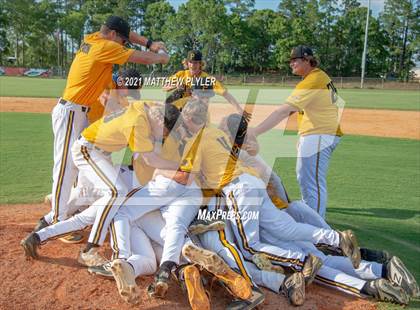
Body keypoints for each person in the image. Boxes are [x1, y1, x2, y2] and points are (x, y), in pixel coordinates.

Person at [36, 15, 170, 243]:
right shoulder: (105, 46)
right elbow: (143, 59)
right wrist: (161, 57)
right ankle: (58, 219)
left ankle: (62, 212)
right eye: (122, 42)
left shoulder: (93, 38)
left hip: (81, 111)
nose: (122, 46)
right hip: (71, 110)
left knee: (80, 166)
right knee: (66, 167)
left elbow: (127, 36)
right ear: (113, 35)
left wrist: (148, 42)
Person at [20, 102, 181, 266]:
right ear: (160, 121)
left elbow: (160, 108)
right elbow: (150, 159)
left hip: (100, 156)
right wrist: (183, 168)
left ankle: (37, 237)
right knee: (116, 191)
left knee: (88, 215)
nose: (162, 137)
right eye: (164, 133)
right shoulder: (139, 121)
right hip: (88, 150)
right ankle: (90, 249)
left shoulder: (147, 109)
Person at [250, 45, 343, 218]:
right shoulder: (316, 77)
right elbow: (293, 110)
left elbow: (283, 111)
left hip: (320, 134)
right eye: (290, 61)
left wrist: (255, 131)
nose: (291, 63)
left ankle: (317, 226)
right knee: (306, 179)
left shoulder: (312, 80)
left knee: (312, 183)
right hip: (316, 133)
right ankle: (312, 220)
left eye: (295, 60)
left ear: (308, 60)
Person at [163, 50, 245, 114]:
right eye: (190, 62)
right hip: (180, 110)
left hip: (196, 113)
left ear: (200, 64)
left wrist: (239, 110)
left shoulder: (206, 78)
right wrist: (176, 86)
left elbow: (225, 93)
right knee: (177, 94)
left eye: (195, 63)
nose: (192, 65)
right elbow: (165, 87)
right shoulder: (181, 74)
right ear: (187, 63)